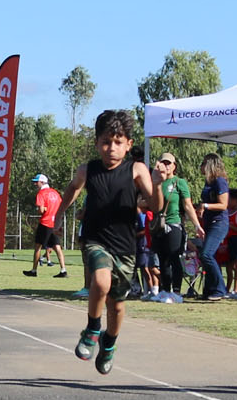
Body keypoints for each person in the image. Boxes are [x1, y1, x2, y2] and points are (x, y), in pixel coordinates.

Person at [52, 109, 163, 375]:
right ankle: (92, 328)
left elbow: (156, 206)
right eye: (105, 142)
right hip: (95, 239)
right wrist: (58, 216)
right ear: (96, 143)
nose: (110, 148)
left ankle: (109, 343)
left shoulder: (136, 170)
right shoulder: (87, 170)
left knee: (117, 304)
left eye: (117, 142)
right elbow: (72, 190)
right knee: (100, 280)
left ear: (128, 145)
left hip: (124, 247)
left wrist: (157, 185)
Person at [152, 151, 198, 303]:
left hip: (174, 224)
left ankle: (176, 292)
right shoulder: (155, 182)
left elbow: (188, 205)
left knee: (174, 257)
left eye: (168, 163)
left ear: (174, 166)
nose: (165, 166)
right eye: (162, 163)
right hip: (159, 225)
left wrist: (197, 225)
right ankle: (165, 291)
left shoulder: (179, 182)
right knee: (162, 259)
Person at [196, 153, 231, 301]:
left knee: (206, 254)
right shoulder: (209, 182)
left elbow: (223, 205)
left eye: (203, 163)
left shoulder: (220, 181)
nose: (201, 166)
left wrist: (205, 205)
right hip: (209, 223)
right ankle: (209, 290)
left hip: (219, 223)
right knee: (206, 255)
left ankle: (219, 289)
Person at [23, 173, 68, 278]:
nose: (35, 184)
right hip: (55, 223)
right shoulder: (55, 193)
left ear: (42, 182)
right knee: (57, 247)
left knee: (38, 246)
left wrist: (44, 209)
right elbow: (61, 207)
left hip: (45, 223)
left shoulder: (41, 194)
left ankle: (34, 270)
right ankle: (63, 270)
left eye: (36, 182)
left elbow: (41, 210)